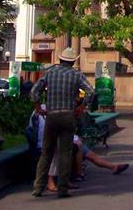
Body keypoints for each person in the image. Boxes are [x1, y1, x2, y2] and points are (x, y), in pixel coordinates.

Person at [30, 47, 94, 199]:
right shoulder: (76, 75)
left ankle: (38, 187)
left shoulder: (50, 73)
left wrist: (38, 107)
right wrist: (81, 106)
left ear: (60, 60)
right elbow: (90, 91)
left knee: (47, 152)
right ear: (72, 62)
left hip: (51, 115)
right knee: (65, 152)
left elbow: (34, 91)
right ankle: (62, 188)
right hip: (68, 115)